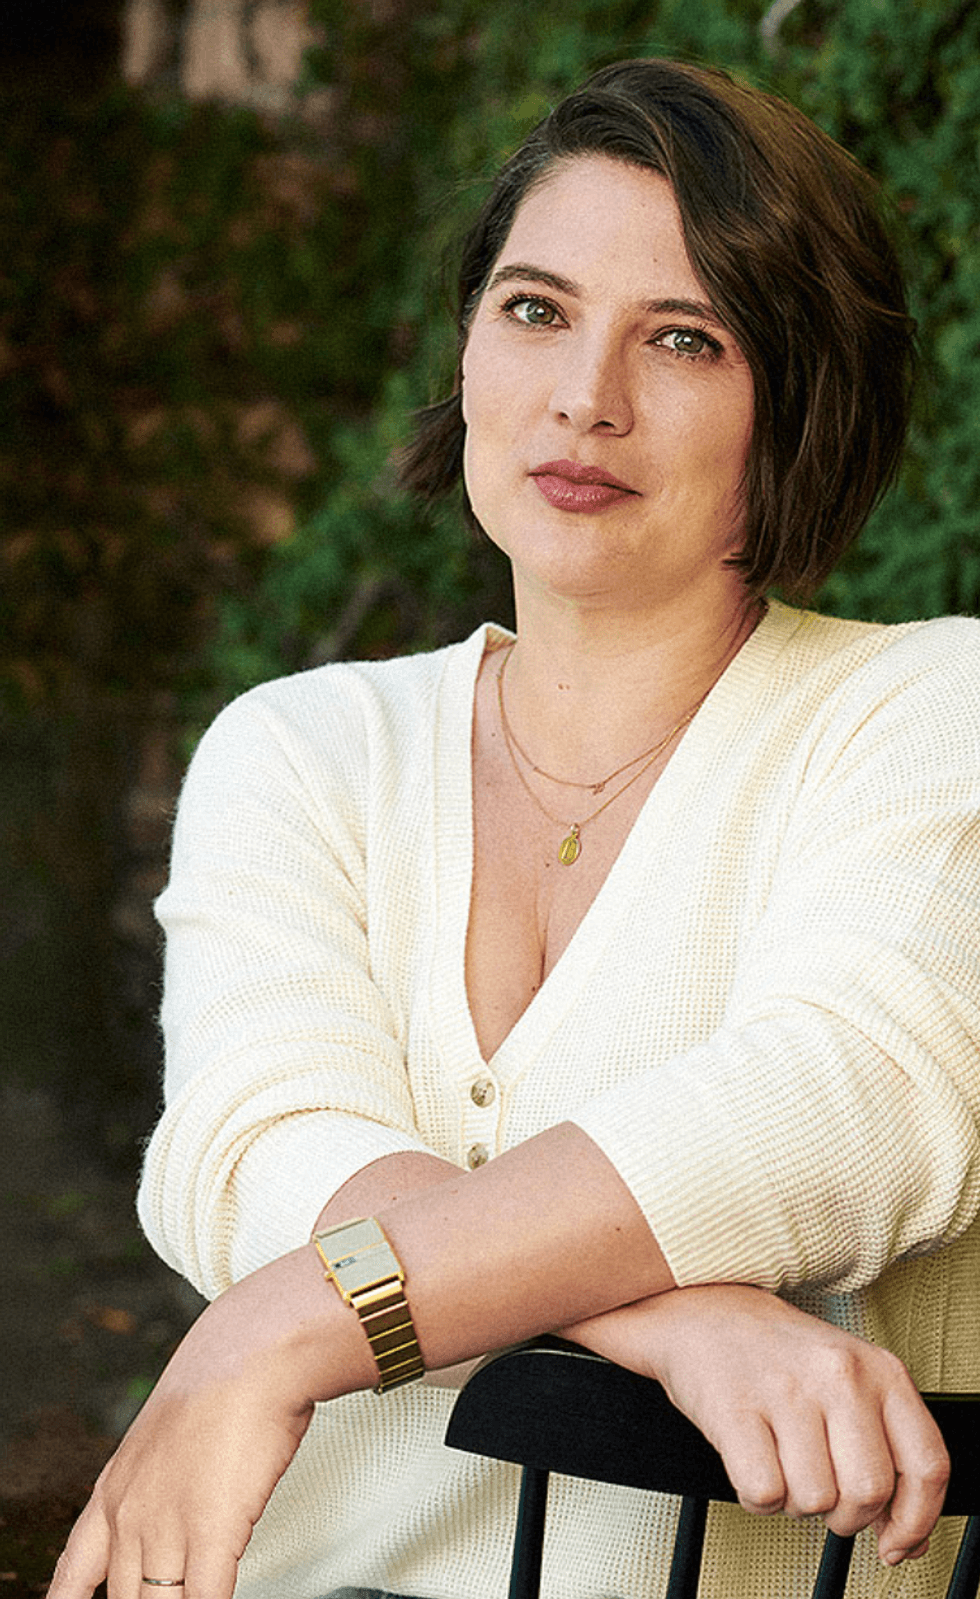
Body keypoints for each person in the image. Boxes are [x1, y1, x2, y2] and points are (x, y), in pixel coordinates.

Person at [52, 57, 980, 1599]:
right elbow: (254, 1144)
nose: (585, 399)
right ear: (471, 347)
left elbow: (850, 1099)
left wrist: (285, 1326)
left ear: (803, 395)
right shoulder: (302, 745)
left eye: (684, 339)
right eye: (536, 311)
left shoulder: (931, 711)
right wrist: (667, 1316)